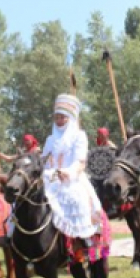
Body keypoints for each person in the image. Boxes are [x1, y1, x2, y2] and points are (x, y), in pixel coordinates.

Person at [42, 93, 102, 243]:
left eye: (63, 117)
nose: (60, 120)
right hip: (50, 177)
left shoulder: (79, 136)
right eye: (57, 117)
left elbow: (80, 162)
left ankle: (83, 239)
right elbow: (44, 160)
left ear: (70, 118)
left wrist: (67, 172)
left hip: (72, 178)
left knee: (77, 199)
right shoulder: (50, 139)